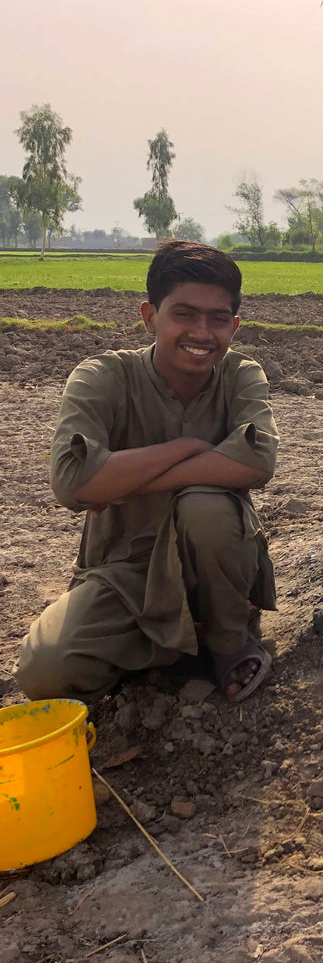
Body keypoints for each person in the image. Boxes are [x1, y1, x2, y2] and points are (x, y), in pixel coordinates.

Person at [15, 240, 279, 704]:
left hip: (219, 566)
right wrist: (189, 448)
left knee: (205, 509)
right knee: (44, 671)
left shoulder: (241, 375)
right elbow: (72, 482)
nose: (202, 332)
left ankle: (226, 641)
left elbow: (257, 460)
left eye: (218, 319)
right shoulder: (102, 377)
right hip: (124, 572)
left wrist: (128, 479)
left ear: (235, 326)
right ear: (149, 316)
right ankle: (176, 648)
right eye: (184, 314)